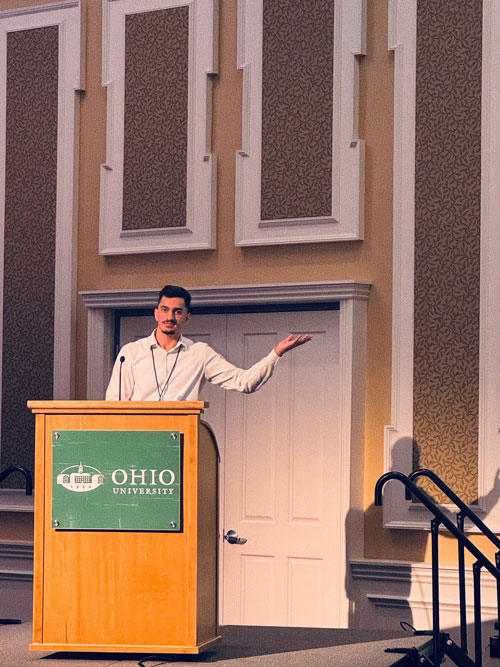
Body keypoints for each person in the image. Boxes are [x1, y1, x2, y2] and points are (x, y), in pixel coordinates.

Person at [106, 284, 312, 401]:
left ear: (187, 317)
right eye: (165, 310)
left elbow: (244, 382)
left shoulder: (199, 353)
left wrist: (275, 353)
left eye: (177, 311)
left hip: (181, 441)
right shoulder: (131, 353)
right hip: (137, 444)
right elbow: (114, 404)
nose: (170, 316)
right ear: (156, 314)